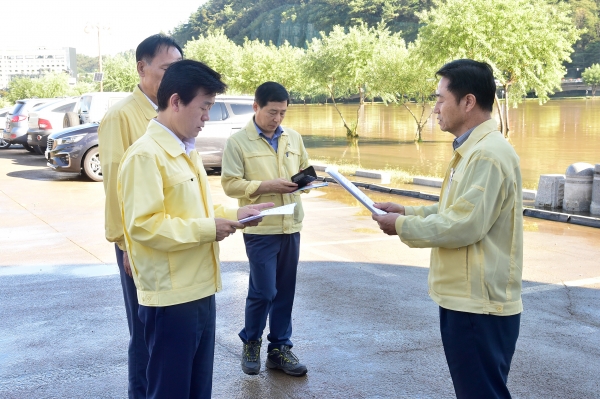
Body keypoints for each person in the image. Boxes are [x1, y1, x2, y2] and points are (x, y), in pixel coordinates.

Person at [117, 59, 273, 398]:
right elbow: (144, 226)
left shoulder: (185, 150)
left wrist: (238, 212)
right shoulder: (146, 156)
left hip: (200, 289)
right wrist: (208, 229)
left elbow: (200, 209)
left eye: (211, 108)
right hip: (172, 298)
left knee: (198, 388)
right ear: (175, 102)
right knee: (171, 389)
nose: (207, 117)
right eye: (204, 108)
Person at [372, 59, 523, 399]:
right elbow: (454, 210)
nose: (434, 108)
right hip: (466, 299)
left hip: (478, 303)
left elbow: (464, 225)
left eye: (440, 99)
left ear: (468, 102)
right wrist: (407, 210)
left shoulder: (487, 155)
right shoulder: (471, 151)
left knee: (481, 393)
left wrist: (402, 226)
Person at [98, 34, 182, 399]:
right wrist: (125, 245)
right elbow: (116, 185)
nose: (173, 75)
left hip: (165, 237)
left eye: (177, 68)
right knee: (144, 329)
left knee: (162, 330)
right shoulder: (122, 116)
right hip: (136, 243)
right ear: (142, 67)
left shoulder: (170, 112)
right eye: (166, 68)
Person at [221, 82, 310, 377]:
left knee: (285, 290)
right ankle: (251, 341)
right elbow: (231, 183)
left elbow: (306, 170)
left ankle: (279, 348)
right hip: (260, 228)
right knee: (264, 290)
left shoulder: (293, 138)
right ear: (256, 107)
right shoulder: (238, 143)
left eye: (283, 113)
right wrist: (265, 186)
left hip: (290, 225)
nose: (278, 119)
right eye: (273, 112)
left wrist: (306, 183)